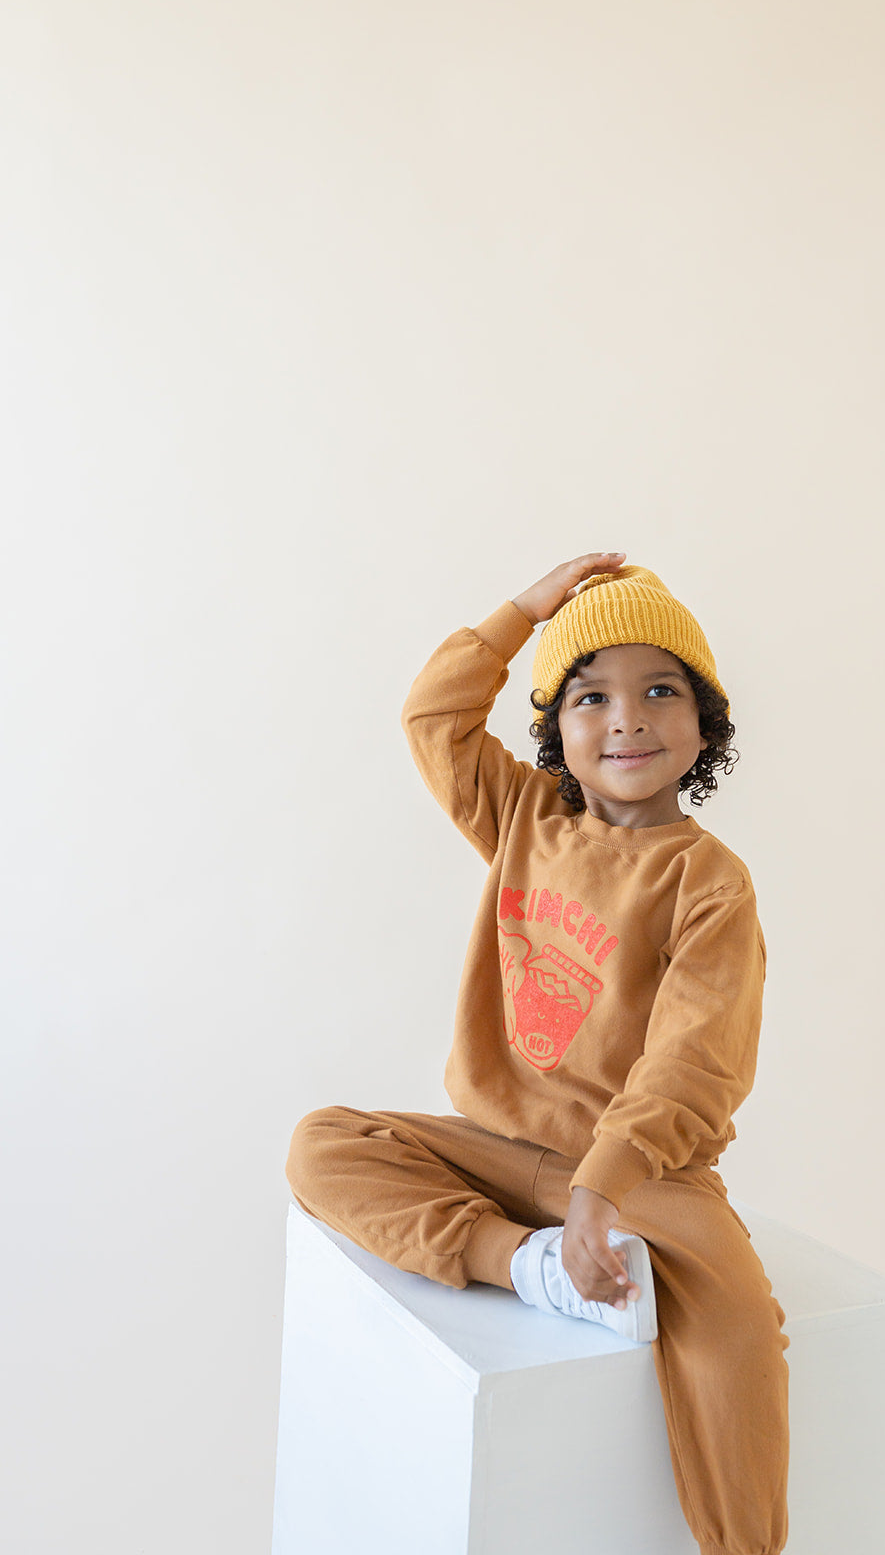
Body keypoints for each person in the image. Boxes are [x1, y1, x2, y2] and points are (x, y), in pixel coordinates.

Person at [286, 552, 790, 1555]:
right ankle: (522, 1266)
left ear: (704, 723)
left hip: (642, 1175)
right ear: (555, 727)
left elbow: (693, 1062)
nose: (626, 719)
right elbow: (432, 717)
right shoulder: (522, 815)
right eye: (589, 696)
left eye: (661, 690)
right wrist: (522, 610)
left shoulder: (707, 881)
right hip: (493, 1146)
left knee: (739, 1334)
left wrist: (604, 1185)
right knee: (321, 1144)